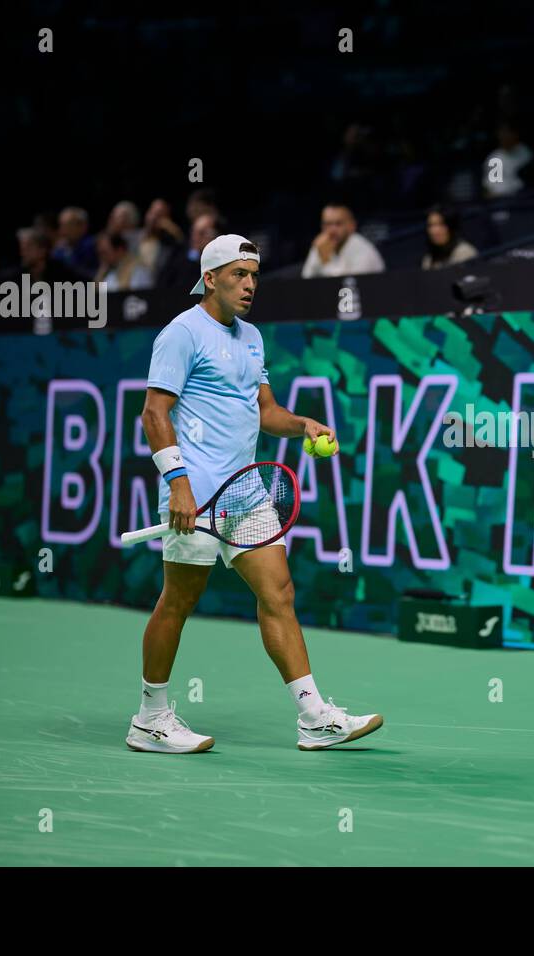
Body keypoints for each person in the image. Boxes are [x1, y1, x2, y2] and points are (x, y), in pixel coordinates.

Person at [132, 233, 384, 754]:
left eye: (254, 276)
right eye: (238, 275)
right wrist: (177, 483)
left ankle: (314, 717)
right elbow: (154, 414)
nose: (249, 286)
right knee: (179, 600)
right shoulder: (181, 333)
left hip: (244, 492)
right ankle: (150, 719)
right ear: (210, 278)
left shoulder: (251, 337)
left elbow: (264, 410)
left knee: (280, 593)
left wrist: (301, 424)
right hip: (196, 492)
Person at [301, 204, 385, 278]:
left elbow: (346, 288)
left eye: (338, 224)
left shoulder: (364, 250)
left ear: (352, 226)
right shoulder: (322, 244)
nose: (332, 230)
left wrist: (325, 261)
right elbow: (306, 278)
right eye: (328, 224)